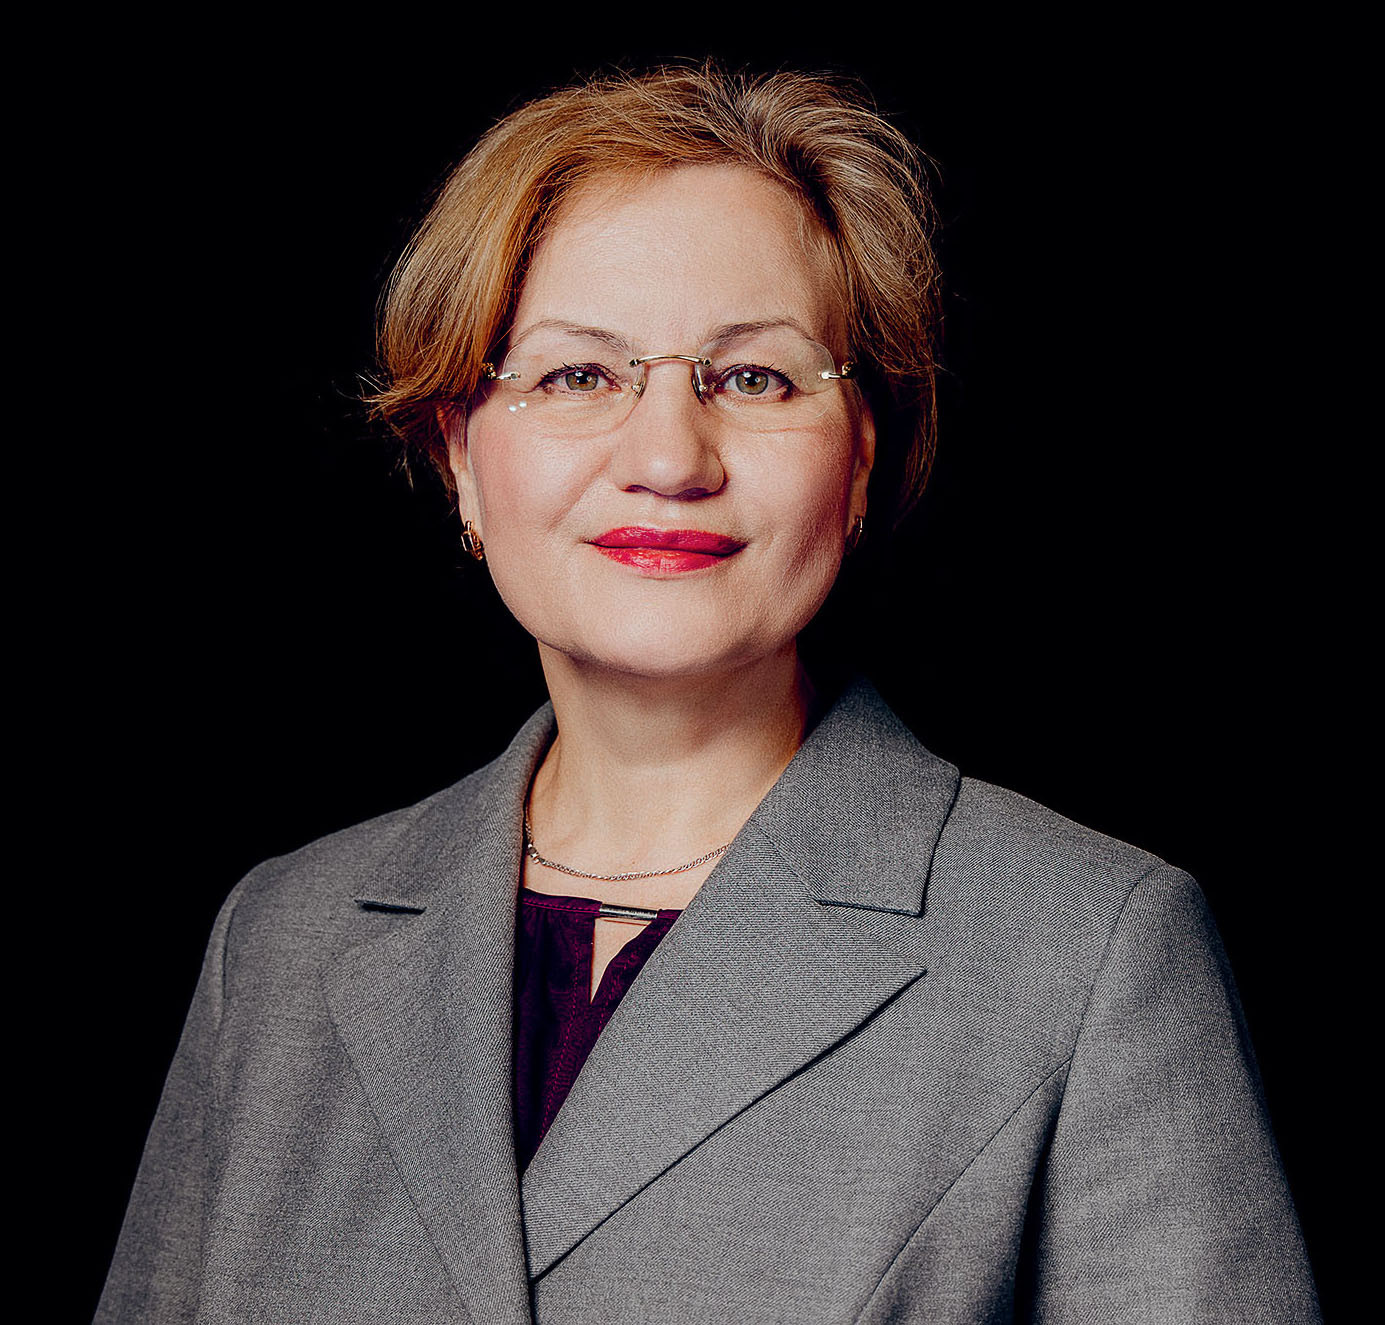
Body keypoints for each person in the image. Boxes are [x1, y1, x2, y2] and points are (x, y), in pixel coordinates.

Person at [97, 63, 1320, 1324]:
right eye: (578, 375)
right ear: (459, 454)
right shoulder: (280, 945)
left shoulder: (1089, 950)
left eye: (753, 378)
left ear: (858, 458)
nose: (668, 456)